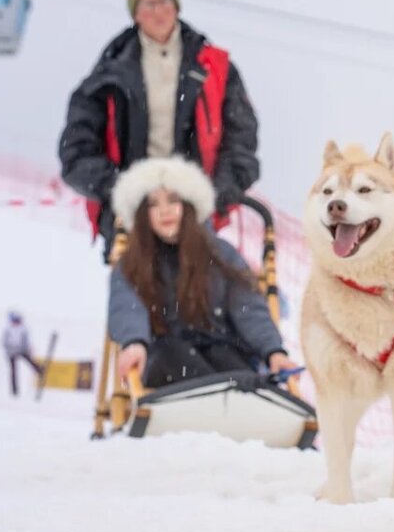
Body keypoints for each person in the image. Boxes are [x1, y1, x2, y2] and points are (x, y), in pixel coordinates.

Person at [59, 0, 260, 257]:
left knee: (200, 292)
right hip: (131, 216)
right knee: (134, 297)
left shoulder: (217, 69)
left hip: (197, 210)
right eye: (148, 4)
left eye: (164, 2)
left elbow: (241, 140)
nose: (158, 12)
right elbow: (76, 152)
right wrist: (123, 190)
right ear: (135, 14)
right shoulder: (107, 77)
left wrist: (213, 195)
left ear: (177, 7)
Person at [106, 156, 297, 388]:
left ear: (188, 206)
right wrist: (134, 342)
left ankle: (244, 396)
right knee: (175, 355)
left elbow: (247, 307)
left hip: (221, 347)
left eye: (173, 200)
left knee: (231, 365)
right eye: (153, 204)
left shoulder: (219, 254)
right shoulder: (131, 264)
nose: (164, 211)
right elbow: (127, 307)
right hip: (165, 355)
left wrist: (273, 351)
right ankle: (221, 396)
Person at [2, 311, 41, 397]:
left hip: (21, 350)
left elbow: (26, 341)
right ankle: (14, 391)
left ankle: (40, 371)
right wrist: (10, 350)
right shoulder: (7, 329)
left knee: (30, 360)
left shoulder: (23, 329)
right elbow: (4, 342)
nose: (16, 322)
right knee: (13, 371)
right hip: (11, 352)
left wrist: (24, 349)